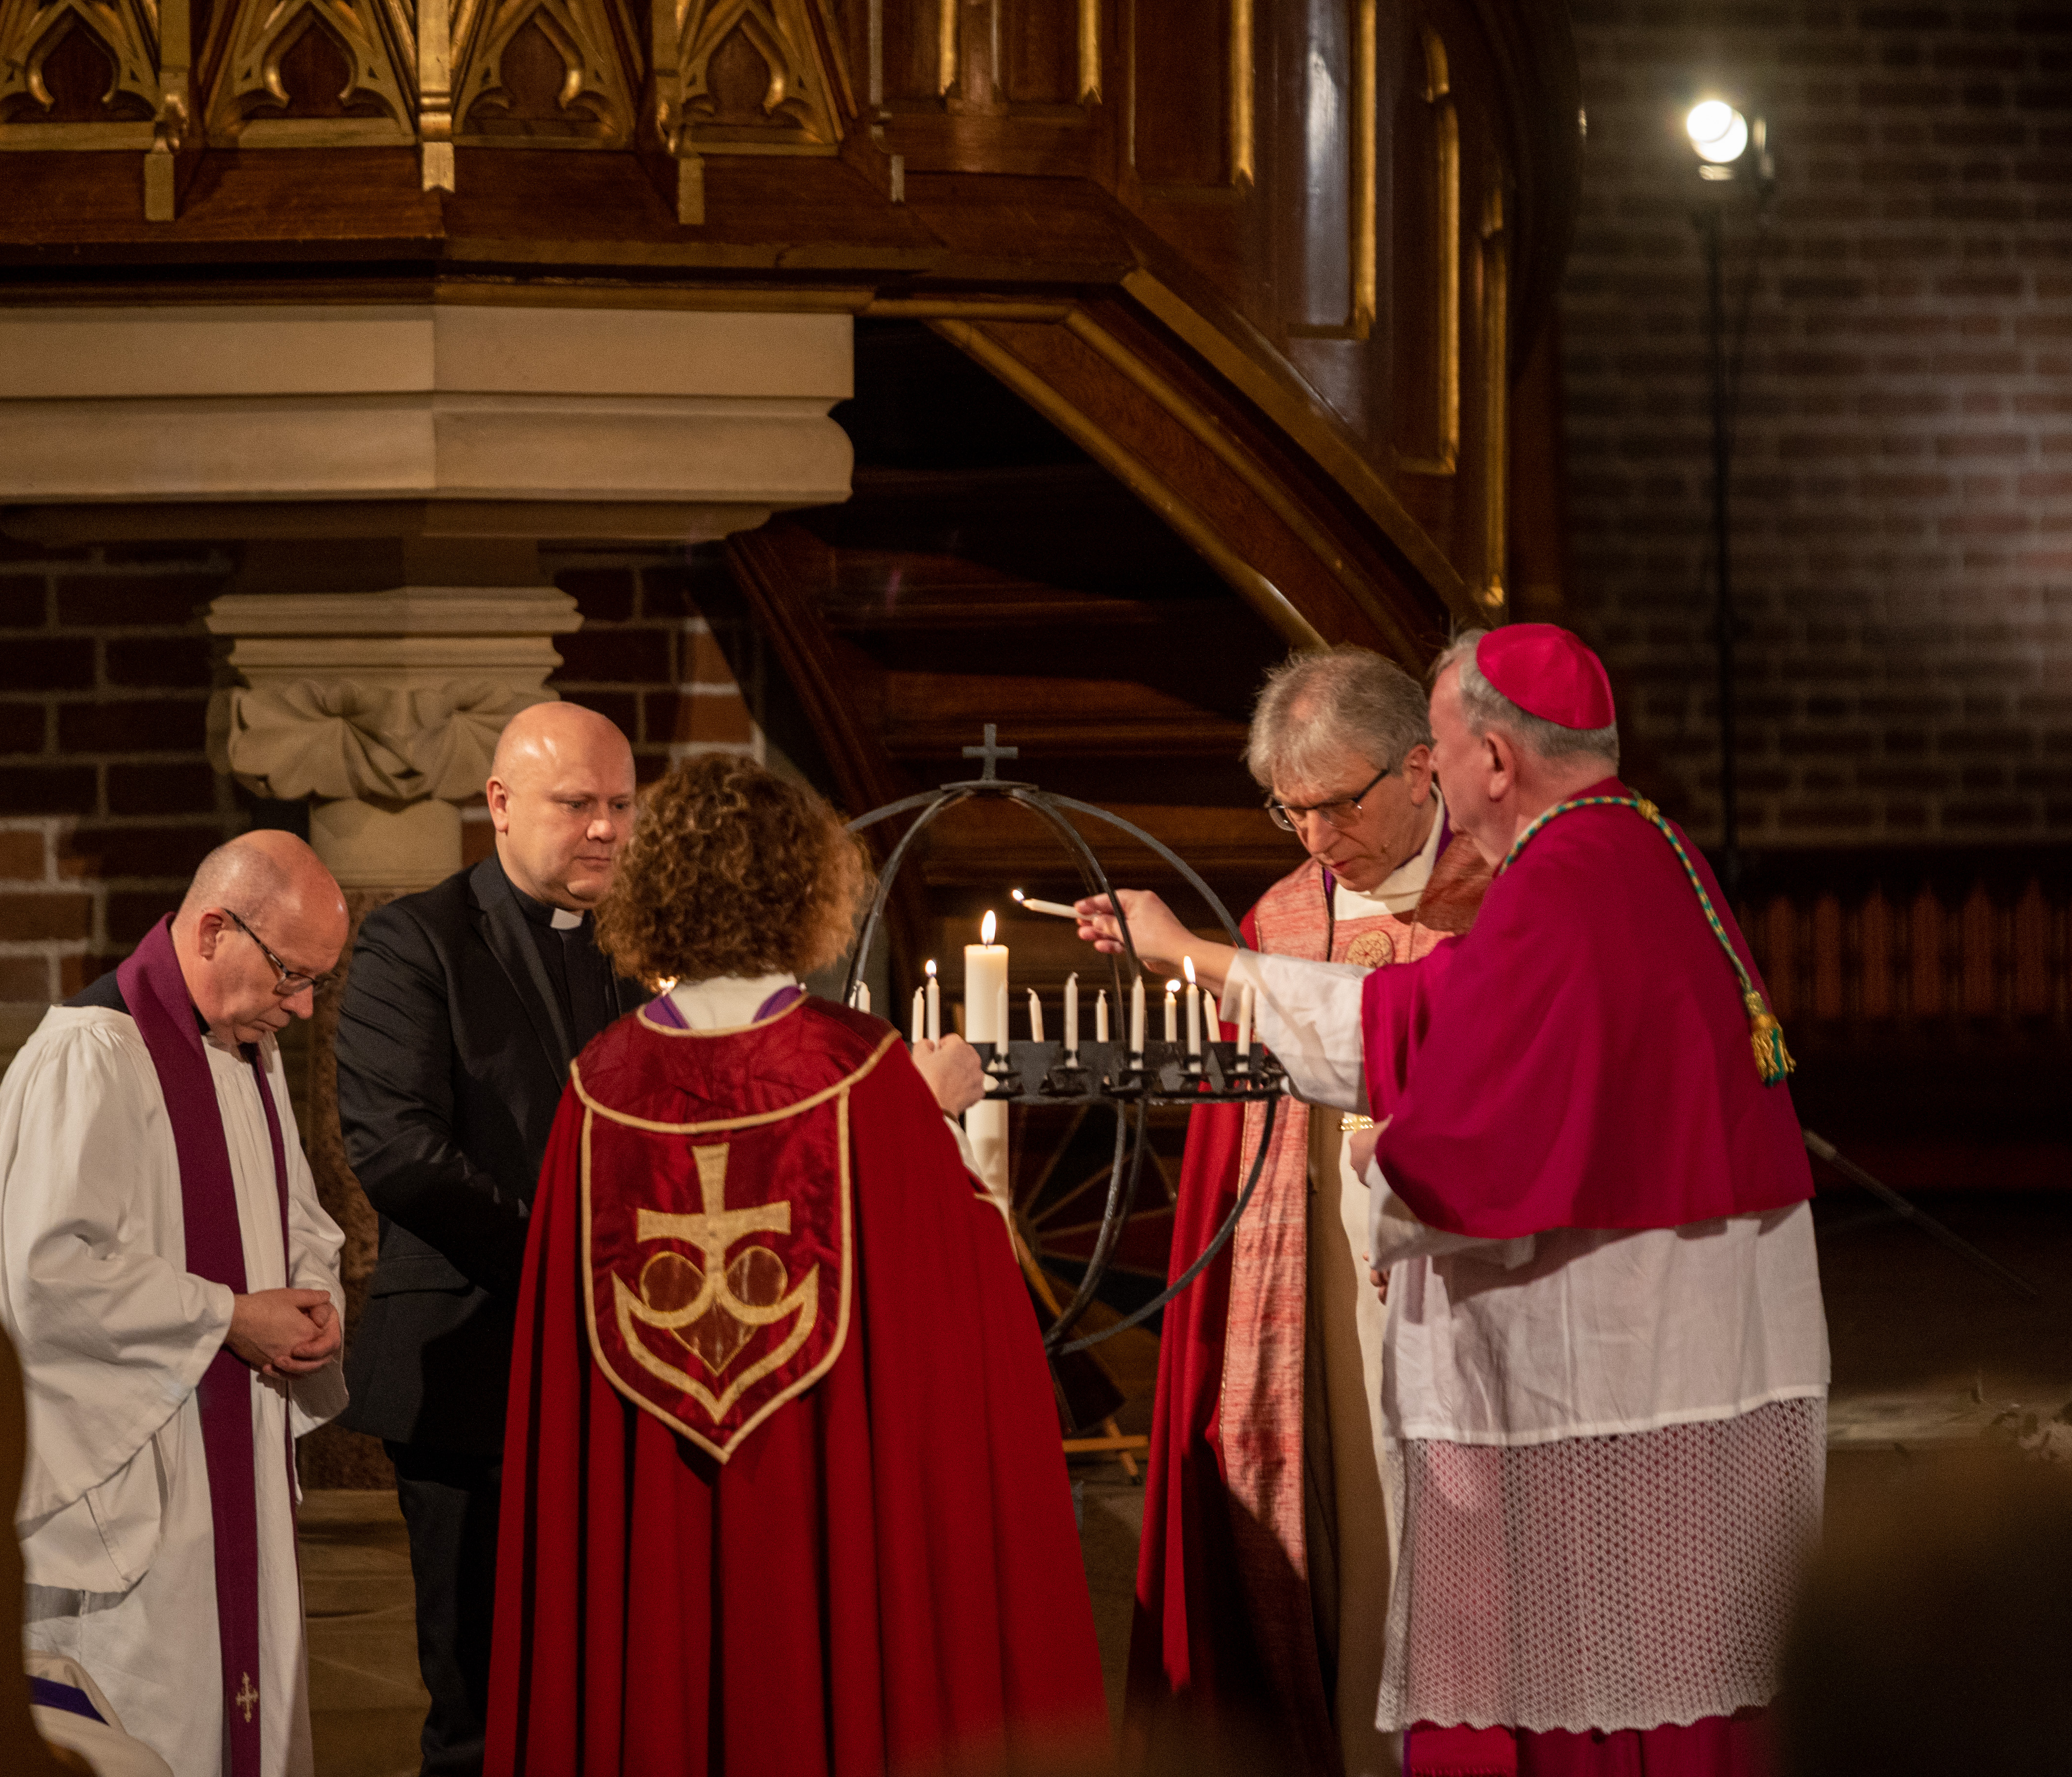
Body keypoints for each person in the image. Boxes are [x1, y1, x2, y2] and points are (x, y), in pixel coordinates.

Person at [1078, 624, 1828, 1776]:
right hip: (1660, 1322)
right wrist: (1201, 958)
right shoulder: (1632, 845)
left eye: (1430, 743)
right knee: (1645, 1649)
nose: (1424, 768)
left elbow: (1464, 1117)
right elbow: (1429, 1016)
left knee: (1581, 1651)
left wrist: (1393, 1158)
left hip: (1605, 1342)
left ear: (1486, 757)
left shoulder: (1563, 875)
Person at [480, 754, 1105, 1777]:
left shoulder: (602, 1083)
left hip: (657, 1498)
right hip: (827, 1487)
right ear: (807, 893)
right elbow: (962, 1308)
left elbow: (566, 1362)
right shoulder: (862, 1073)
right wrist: (938, 1121)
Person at [1128, 648, 1490, 1777]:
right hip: (1325, 1284)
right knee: (1352, 1513)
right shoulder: (1283, 919)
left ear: (1420, 769)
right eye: (1292, 814)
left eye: (1336, 807)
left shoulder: (1506, 897)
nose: (1318, 843)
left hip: (1468, 1272)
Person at [0, 831, 352, 1777]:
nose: (300, 1010)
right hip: (136, 1509)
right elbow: (50, 1274)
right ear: (217, 928)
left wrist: (315, 1304)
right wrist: (227, 1317)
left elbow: (303, 1224)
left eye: (313, 985)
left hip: (232, 1490)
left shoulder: (246, 1059)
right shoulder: (88, 1057)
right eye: (292, 976)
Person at [334, 701, 642, 1777]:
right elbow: (399, 1152)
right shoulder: (415, 940)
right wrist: (572, 1263)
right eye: (577, 805)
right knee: (479, 1709)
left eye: (619, 806)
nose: (604, 829)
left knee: (616, 1691)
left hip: (631, 1377)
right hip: (475, 1368)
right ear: (501, 805)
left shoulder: (643, 951)